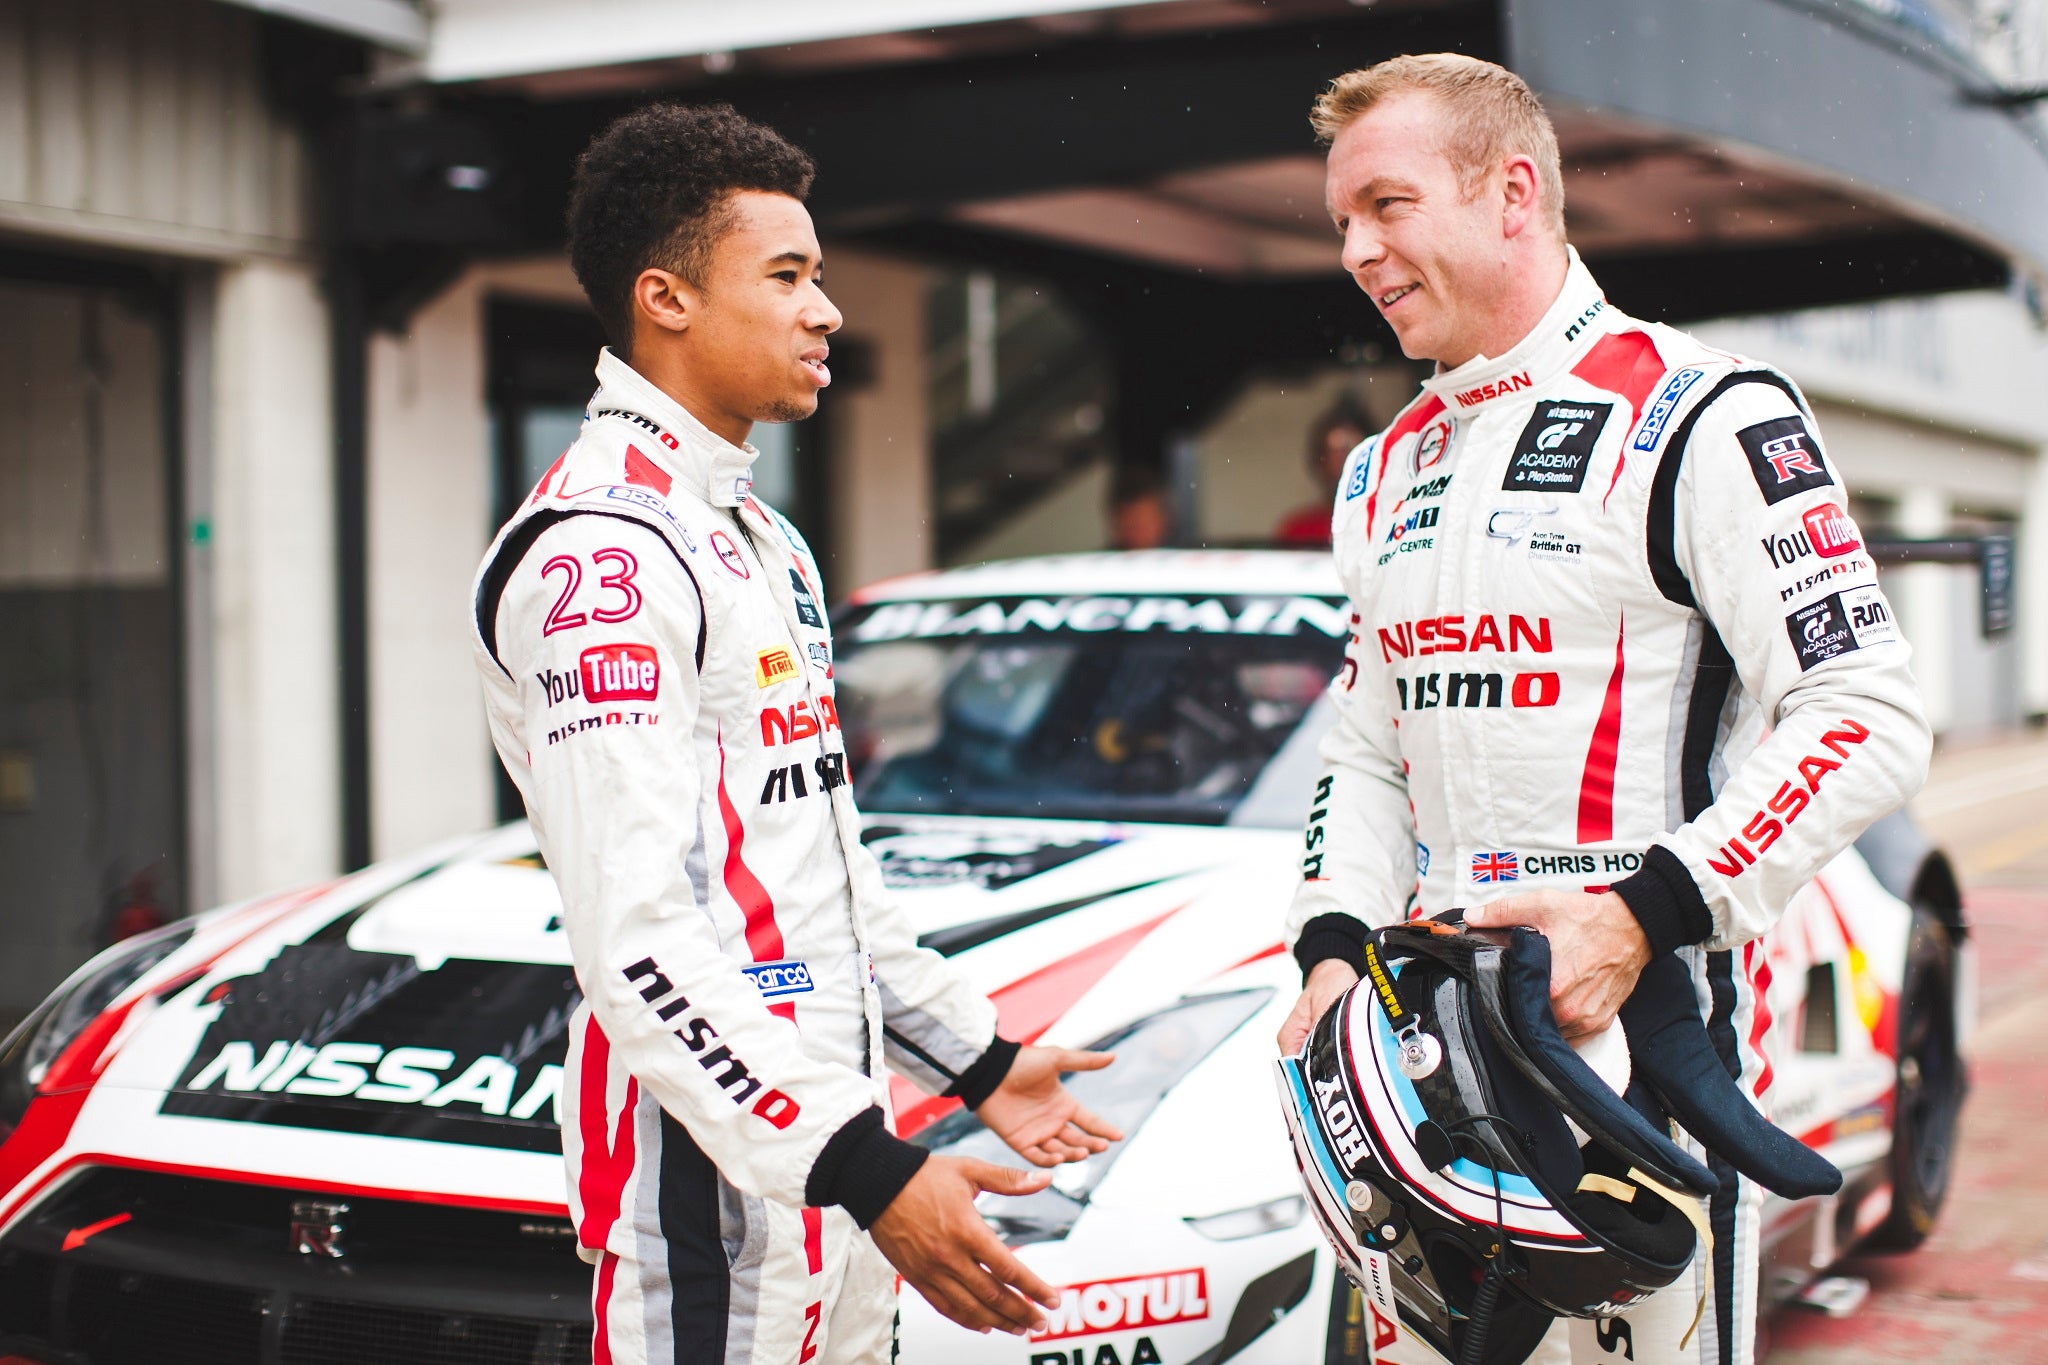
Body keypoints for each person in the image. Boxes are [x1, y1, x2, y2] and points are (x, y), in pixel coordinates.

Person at [1273, 55, 1930, 1365]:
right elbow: (1367, 744)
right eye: (1343, 219)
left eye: (1388, 206)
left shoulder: (1704, 414)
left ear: (1511, 194)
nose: (1355, 249)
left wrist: (1641, 915)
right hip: (1424, 1054)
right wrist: (1332, 942)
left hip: (1635, 1051)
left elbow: (1867, 711)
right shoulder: (1383, 464)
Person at [470, 104, 1121, 1365]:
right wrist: (870, 1168)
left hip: (825, 1161)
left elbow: (815, 873)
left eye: (819, 276)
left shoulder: (758, 538)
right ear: (665, 298)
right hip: (704, 1199)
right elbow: (637, 938)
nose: (826, 310)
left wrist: (981, 1059)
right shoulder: (604, 555)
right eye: (787, 276)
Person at [1273, 398, 1371, 545]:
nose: (1344, 462)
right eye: (1336, 452)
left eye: (1351, 452)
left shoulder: (1387, 523)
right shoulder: (1298, 530)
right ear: (1320, 461)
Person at [1107, 461, 1171, 549]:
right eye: (1130, 527)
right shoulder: (1101, 561)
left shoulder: (1185, 559)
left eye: (1144, 526)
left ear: (1163, 522)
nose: (1138, 536)